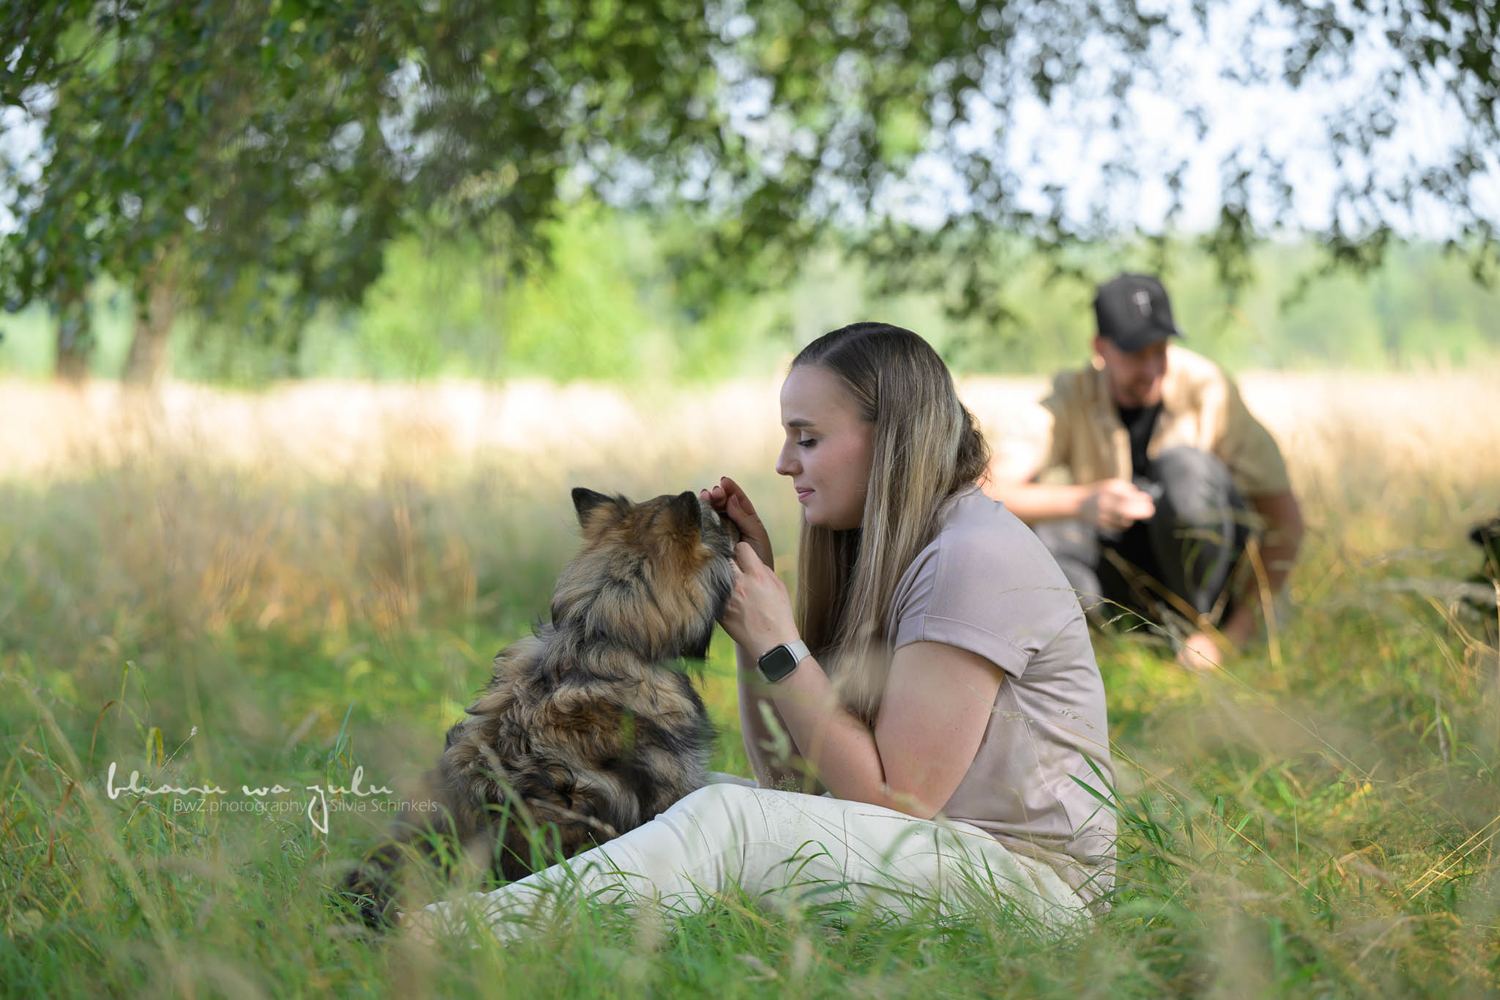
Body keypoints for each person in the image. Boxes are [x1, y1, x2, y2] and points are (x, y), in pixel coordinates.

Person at [405, 322, 1115, 943]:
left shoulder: (973, 556)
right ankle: (490, 913)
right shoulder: (905, 549)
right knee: (681, 796)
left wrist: (783, 646)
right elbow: (795, 782)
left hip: (1032, 891)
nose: (783, 463)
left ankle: (457, 939)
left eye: (807, 438)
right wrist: (756, 624)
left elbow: (896, 801)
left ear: (892, 437)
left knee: (725, 819)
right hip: (945, 858)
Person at [985, 273, 1305, 670]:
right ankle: (1117, 641)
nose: (1153, 367)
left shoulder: (1209, 388)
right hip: (1129, 580)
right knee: (1047, 535)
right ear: (1100, 348)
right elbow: (990, 489)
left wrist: (1230, 639)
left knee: (1184, 469)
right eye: (1136, 354)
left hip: (1219, 595)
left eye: (1161, 349)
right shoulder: (1071, 394)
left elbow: (1286, 522)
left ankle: (1200, 634)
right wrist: (1083, 502)